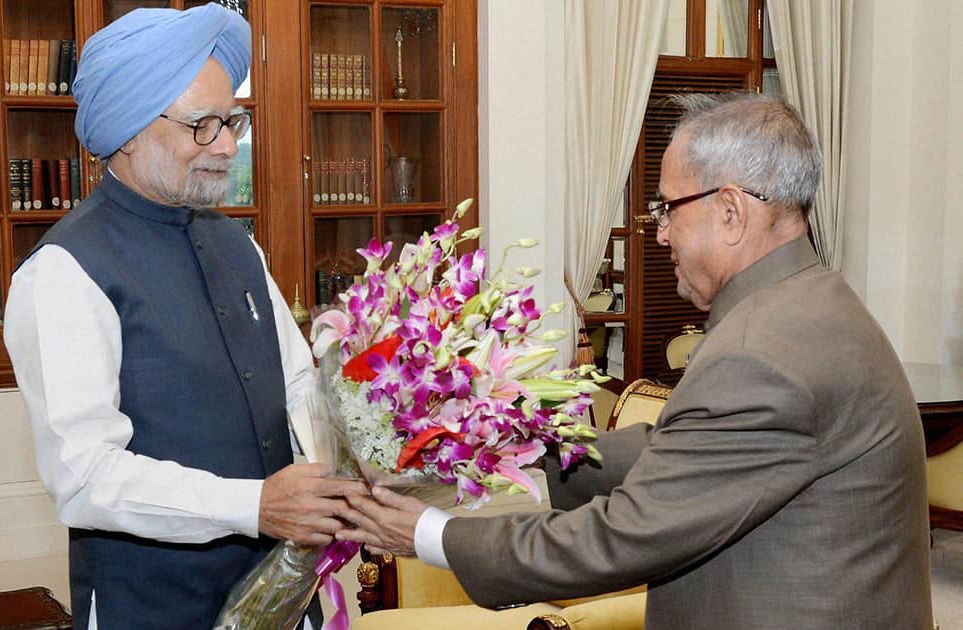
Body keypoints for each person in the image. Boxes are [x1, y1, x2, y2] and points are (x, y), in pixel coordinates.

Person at [337, 92, 934, 629]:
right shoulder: (809, 303)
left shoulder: (764, 353)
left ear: (731, 211)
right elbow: (684, 450)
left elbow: (621, 537)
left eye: (668, 208)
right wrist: (514, 446)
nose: (660, 233)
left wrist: (430, 534)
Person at [3, 5, 366, 629]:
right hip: (149, 607)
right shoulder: (64, 271)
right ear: (128, 130)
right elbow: (85, 477)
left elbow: (300, 387)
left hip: (283, 595)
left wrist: (376, 439)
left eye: (231, 121)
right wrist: (253, 505)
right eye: (202, 125)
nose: (226, 145)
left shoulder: (238, 245)